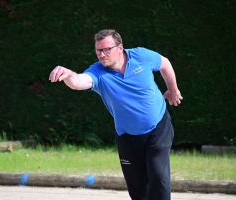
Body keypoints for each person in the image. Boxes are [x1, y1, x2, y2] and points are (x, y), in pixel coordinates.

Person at [49, 29, 183, 200]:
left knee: (158, 175)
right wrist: (68, 75)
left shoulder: (141, 56)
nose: (102, 55)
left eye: (107, 49)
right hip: (127, 136)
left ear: (120, 48)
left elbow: (164, 63)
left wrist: (173, 89)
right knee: (138, 190)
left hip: (158, 127)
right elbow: (79, 82)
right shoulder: (98, 72)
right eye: (98, 51)